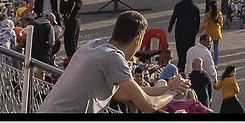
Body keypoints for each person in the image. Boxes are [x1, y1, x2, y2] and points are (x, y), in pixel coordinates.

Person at [39, 10, 177, 114]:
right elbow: (148, 106)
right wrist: (172, 93)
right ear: (138, 40)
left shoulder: (92, 45)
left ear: (113, 32)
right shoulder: (114, 58)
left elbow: (123, 94)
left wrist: (167, 88)